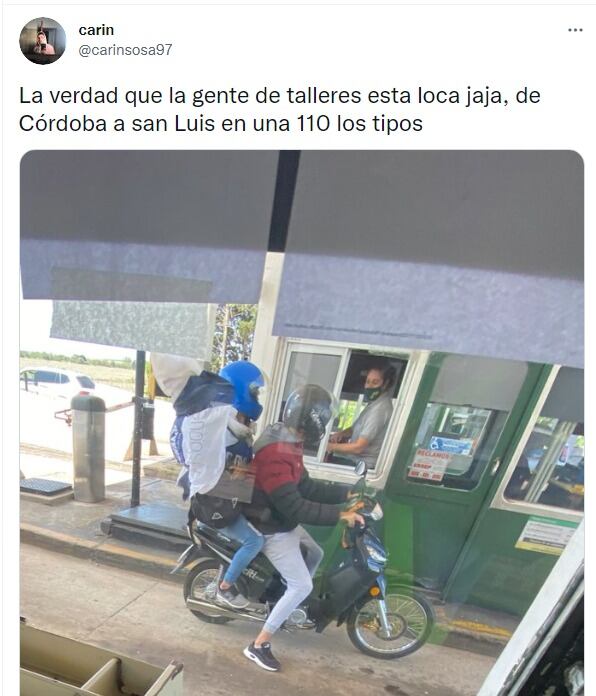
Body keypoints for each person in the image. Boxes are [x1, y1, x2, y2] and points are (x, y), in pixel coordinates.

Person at [243, 384, 364, 672]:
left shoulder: (287, 441)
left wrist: (345, 494)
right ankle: (258, 645)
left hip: (281, 521)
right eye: (324, 418)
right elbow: (296, 506)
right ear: (313, 420)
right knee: (302, 584)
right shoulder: (275, 452)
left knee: (316, 553)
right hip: (269, 526)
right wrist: (340, 515)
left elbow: (305, 485)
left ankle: (285, 602)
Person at [161, 357, 266, 609]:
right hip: (216, 506)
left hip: (230, 501)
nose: (258, 398)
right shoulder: (220, 430)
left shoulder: (236, 427)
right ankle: (225, 588)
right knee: (255, 542)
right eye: (255, 392)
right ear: (241, 389)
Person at [326, 363, 397, 469]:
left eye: (375, 382)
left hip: (362, 465)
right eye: (368, 382)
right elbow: (354, 429)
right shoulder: (374, 403)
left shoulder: (380, 410)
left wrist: (330, 447)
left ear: (385, 384)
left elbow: (358, 447)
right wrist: (339, 434)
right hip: (354, 459)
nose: (369, 386)